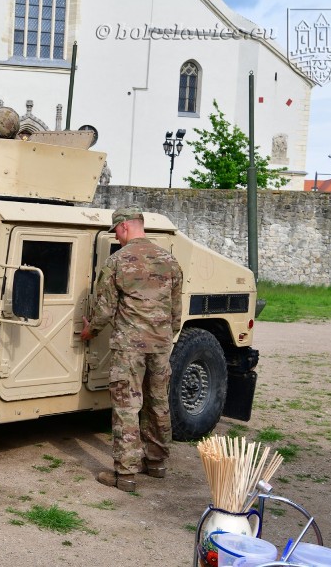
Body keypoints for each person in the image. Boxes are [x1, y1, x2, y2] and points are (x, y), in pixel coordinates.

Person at [81, 206, 183, 492]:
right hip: (161, 344)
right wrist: (165, 336)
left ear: (124, 226)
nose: (117, 237)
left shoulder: (117, 261)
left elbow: (104, 309)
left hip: (129, 347)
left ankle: (125, 475)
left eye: (117, 231)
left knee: (127, 406)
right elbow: (176, 311)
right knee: (158, 402)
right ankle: (157, 463)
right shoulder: (169, 261)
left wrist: (90, 331)